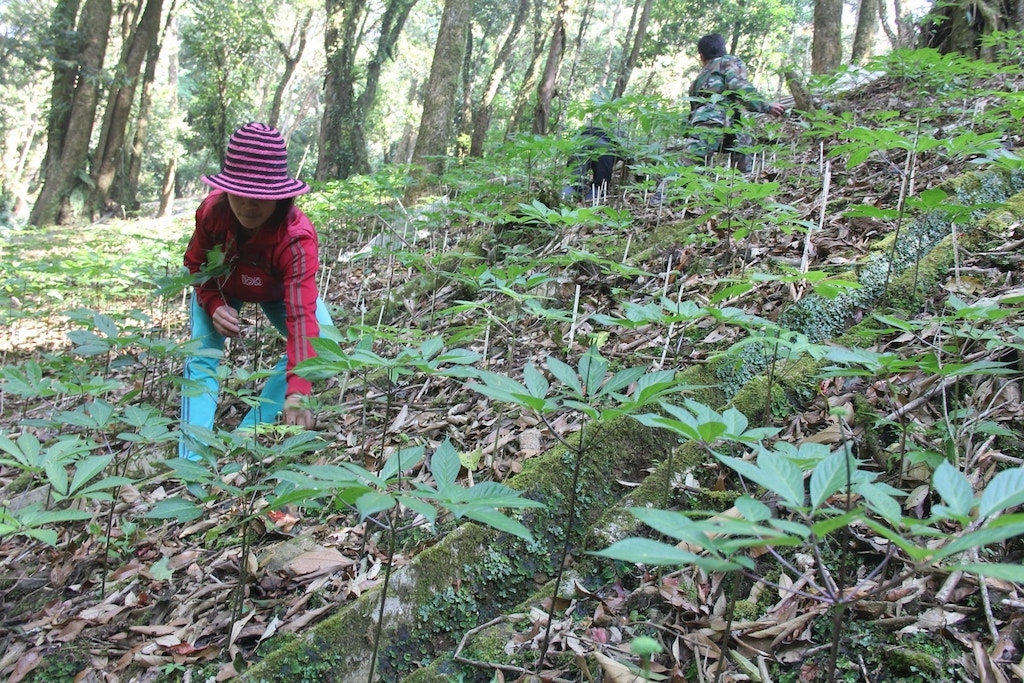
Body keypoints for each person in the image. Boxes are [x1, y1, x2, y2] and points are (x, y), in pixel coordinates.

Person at [179, 122, 334, 460]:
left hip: (276, 291)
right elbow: (194, 264)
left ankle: (246, 437)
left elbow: (301, 318)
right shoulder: (212, 214)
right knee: (202, 360)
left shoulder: (295, 237)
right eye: (240, 193)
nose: (249, 205)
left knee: (326, 347)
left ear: (280, 196)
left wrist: (298, 392)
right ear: (226, 189)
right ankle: (193, 463)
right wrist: (212, 302)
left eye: (261, 197)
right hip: (222, 282)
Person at [652, 33, 785, 204]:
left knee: (699, 161)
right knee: (732, 156)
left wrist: (689, 132)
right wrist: (765, 105)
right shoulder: (727, 61)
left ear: (701, 56)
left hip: (720, 122)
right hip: (721, 120)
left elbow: (693, 110)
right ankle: (660, 199)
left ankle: (743, 197)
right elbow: (738, 86)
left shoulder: (699, 78)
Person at [561, 127, 623, 203]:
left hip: (581, 141)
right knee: (600, 187)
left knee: (575, 183)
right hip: (604, 145)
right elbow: (626, 157)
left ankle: (564, 200)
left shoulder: (587, 128)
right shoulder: (617, 135)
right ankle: (591, 201)